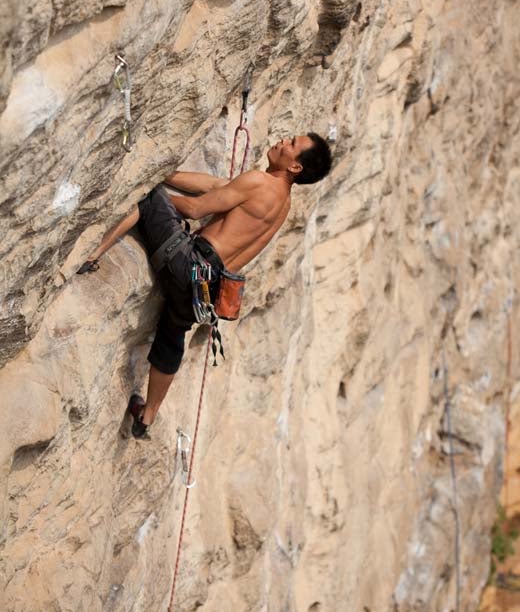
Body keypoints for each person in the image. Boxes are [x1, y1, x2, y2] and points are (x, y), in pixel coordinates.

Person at [77, 133, 332, 438]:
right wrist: (167, 174)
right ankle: (147, 415)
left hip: (187, 263)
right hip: (208, 288)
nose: (281, 141)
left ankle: (92, 255)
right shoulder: (282, 203)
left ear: (295, 167)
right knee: (172, 335)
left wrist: (156, 190)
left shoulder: (257, 181)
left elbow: (195, 209)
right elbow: (217, 187)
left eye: (291, 144)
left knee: (146, 197)